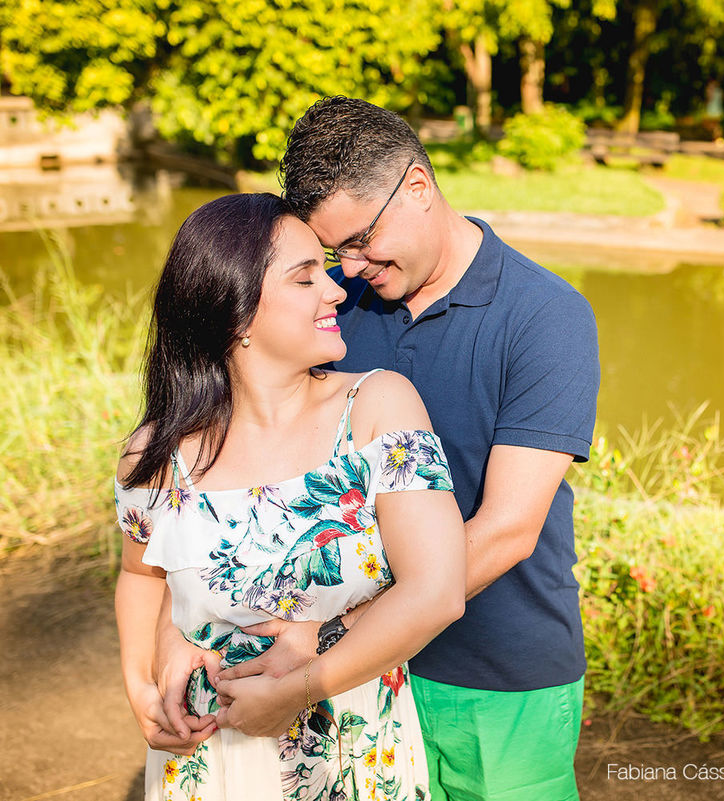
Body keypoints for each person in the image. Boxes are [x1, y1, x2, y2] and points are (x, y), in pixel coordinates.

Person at [114, 192, 466, 799]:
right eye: (305, 279)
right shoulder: (156, 453)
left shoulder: (378, 408)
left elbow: (436, 592)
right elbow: (141, 575)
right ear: (235, 315)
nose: (336, 290)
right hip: (209, 759)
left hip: (354, 750)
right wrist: (141, 685)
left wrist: (301, 689)